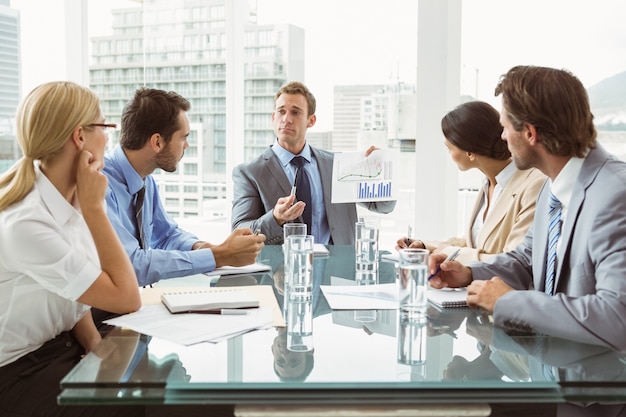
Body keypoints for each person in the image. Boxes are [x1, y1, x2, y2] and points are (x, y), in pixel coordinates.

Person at [429, 65, 626, 352]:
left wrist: (507, 302)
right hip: (553, 372)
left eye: (506, 127)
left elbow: (616, 316)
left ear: (530, 133)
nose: (502, 137)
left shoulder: (614, 195)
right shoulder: (553, 187)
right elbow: (526, 260)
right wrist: (468, 273)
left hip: (600, 388)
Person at [0, 81, 143, 416]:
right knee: (140, 407)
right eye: (105, 127)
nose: (109, 140)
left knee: (160, 385)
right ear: (80, 138)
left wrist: (94, 342)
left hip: (61, 346)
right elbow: (127, 297)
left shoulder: (68, 197)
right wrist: (95, 209)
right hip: (18, 373)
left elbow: (76, 288)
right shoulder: (26, 224)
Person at [103, 88, 265, 287]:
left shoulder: (145, 180)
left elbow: (165, 235)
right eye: (183, 137)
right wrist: (219, 255)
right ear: (157, 142)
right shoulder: (101, 186)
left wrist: (205, 248)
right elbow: (132, 265)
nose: (186, 145)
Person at [231, 81, 396, 245]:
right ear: (274, 117)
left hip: (338, 267)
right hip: (282, 268)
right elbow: (240, 233)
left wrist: (382, 171)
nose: (286, 119)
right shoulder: (250, 173)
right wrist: (275, 218)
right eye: (281, 111)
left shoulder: (337, 166)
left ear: (311, 120)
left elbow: (383, 206)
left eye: (295, 112)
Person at [396, 101, 545, 263]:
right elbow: (477, 243)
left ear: (470, 152)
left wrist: (446, 252)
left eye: (450, 148)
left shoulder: (533, 185)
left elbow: (513, 262)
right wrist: (425, 246)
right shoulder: (489, 183)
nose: (450, 154)